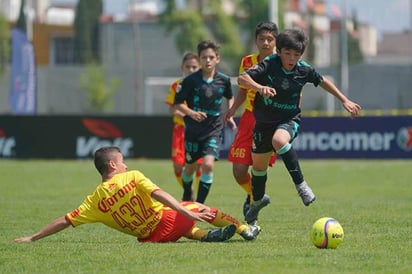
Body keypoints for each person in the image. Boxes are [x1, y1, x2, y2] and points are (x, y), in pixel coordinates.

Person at [236, 29, 362, 224]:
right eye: (288, 53)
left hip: (289, 119)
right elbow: (242, 78)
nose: (292, 58)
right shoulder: (269, 64)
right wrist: (260, 88)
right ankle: (255, 209)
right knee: (258, 170)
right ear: (279, 51)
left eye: (296, 54)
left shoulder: (304, 69)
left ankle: (301, 185)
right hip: (263, 122)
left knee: (279, 140)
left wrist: (344, 100)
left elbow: (323, 81)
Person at [14, 146, 260, 243]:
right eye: (122, 162)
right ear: (112, 166)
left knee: (185, 226)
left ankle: (208, 236)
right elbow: (161, 194)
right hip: (167, 221)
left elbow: (64, 221)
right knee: (197, 206)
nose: (126, 166)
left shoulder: (94, 201)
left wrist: (33, 237)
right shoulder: (131, 177)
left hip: (152, 237)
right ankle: (243, 229)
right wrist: (185, 209)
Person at [224, 21, 279, 220]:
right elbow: (243, 89)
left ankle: (253, 210)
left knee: (258, 168)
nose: (265, 42)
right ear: (256, 40)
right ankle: (255, 196)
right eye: (262, 39)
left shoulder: (282, 62)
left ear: (276, 42)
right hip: (248, 118)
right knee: (238, 171)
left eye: (270, 39)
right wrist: (232, 109)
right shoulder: (248, 61)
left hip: (269, 120)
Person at [174, 40, 236, 204]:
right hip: (193, 130)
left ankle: (199, 205)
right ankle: (188, 192)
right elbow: (178, 103)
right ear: (199, 59)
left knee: (208, 165)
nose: (207, 60)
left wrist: (230, 113)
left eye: (211, 57)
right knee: (190, 168)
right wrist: (192, 113)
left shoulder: (224, 80)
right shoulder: (190, 81)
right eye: (204, 57)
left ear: (217, 59)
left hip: (213, 129)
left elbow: (230, 97)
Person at [165, 52, 202, 189]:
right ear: (182, 67)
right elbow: (172, 109)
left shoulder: (204, 85)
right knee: (178, 165)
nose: (191, 70)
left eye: (194, 67)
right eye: (188, 67)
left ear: (199, 67)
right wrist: (187, 116)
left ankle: (198, 199)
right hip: (180, 130)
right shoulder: (176, 86)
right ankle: (188, 190)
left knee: (199, 164)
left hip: (198, 130)